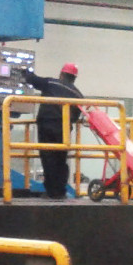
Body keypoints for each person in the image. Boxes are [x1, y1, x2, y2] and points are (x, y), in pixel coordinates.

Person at [24, 63, 84, 199]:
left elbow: (33, 79)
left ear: (61, 74)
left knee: (48, 158)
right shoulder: (78, 95)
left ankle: (52, 192)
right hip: (64, 130)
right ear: (74, 78)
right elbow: (75, 117)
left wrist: (23, 71)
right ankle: (60, 191)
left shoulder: (51, 83)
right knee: (60, 159)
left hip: (47, 125)